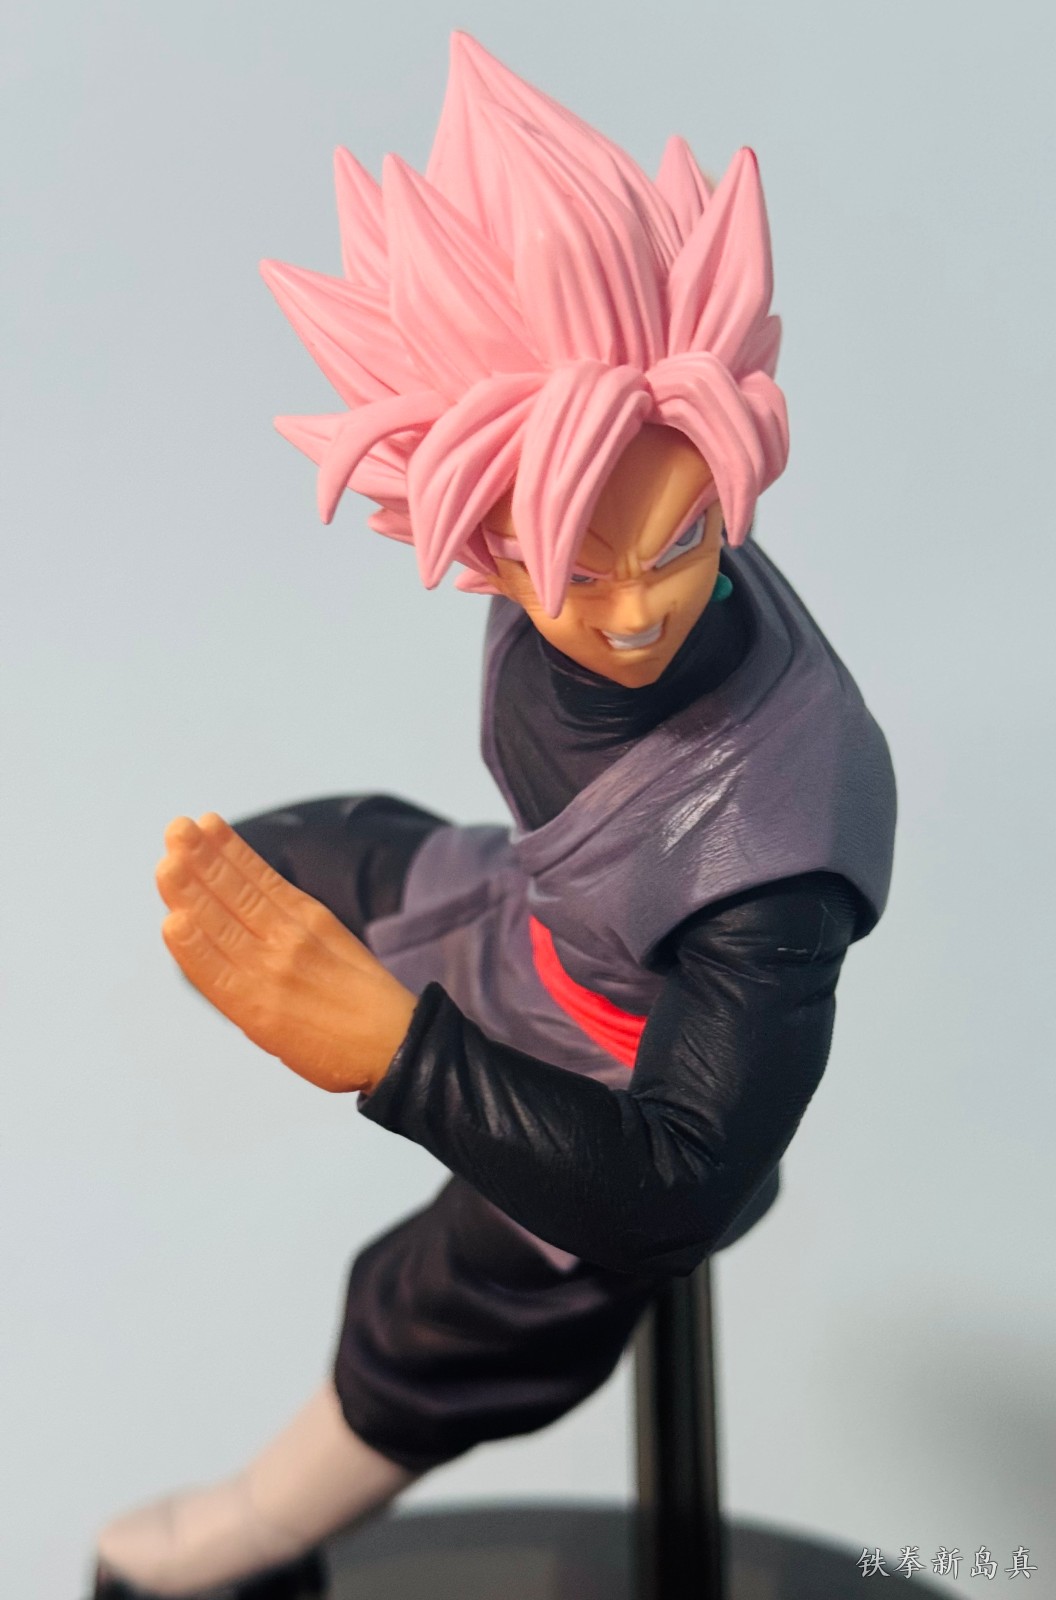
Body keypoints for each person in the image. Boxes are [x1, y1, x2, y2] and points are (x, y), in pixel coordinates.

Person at [92, 33, 896, 1600]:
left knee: (431, 1303)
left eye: (685, 543)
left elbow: (684, 1180)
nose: (637, 607)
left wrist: (393, 1051)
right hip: (529, 909)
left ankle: (256, 1530)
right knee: (271, 868)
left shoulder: (779, 850)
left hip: (636, 1084)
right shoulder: (529, 500)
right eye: (576, 567)